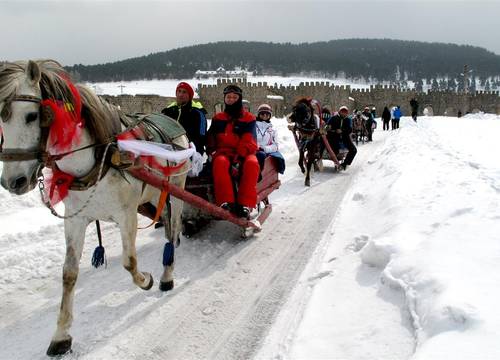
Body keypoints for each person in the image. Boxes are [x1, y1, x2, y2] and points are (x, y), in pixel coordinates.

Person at [207, 85, 260, 219]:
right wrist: (211, 151)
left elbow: (248, 139)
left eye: (234, 97)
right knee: (219, 163)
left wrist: (238, 159)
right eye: (228, 97)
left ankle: (246, 204)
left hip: (244, 153)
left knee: (252, 164)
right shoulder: (218, 118)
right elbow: (211, 137)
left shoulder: (249, 118)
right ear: (224, 99)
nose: (231, 100)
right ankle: (226, 202)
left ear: (239, 99)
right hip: (223, 152)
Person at [161, 82, 207, 155]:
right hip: (168, 149)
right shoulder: (168, 111)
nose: (180, 94)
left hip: (190, 151)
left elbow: (201, 136)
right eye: (179, 91)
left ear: (190, 96)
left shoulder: (197, 113)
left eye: (184, 92)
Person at [255, 103, 285, 175]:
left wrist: (265, 148)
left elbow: (276, 146)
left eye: (267, 114)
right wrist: (257, 147)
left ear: (270, 115)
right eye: (262, 114)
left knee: (261, 155)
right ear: (259, 114)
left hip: (265, 152)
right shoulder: (253, 126)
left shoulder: (273, 129)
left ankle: (258, 175)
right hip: (254, 150)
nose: (265, 116)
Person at [326, 106, 357, 170]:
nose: (344, 113)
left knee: (353, 150)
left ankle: (345, 164)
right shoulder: (333, 118)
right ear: (339, 111)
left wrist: (342, 130)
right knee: (334, 147)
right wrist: (328, 127)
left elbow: (350, 129)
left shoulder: (348, 120)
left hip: (344, 137)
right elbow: (327, 126)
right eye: (342, 111)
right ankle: (334, 158)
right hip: (333, 137)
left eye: (345, 112)